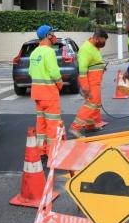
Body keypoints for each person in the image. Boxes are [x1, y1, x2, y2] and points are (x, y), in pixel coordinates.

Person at [28, 25, 63, 159]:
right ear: (47, 36)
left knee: (41, 125)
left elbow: (31, 72)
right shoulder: (49, 52)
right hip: (49, 94)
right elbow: (54, 72)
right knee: (53, 125)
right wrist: (59, 84)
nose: (54, 36)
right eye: (52, 33)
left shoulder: (34, 52)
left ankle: (41, 151)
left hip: (37, 95)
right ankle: (52, 153)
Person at [69, 29, 109, 138]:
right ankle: (75, 127)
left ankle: (90, 126)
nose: (103, 43)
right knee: (91, 104)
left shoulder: (95, 47)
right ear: (96, 38)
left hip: (96, 80)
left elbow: (94, 64)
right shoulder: (86, 49)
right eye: (102, 41)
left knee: (96, 103)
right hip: (90, 81)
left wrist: (101, 68)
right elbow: (82, 70)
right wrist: (85, 87)